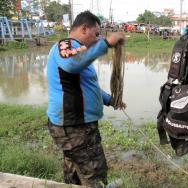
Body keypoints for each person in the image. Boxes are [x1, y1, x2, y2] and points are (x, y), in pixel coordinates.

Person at [46, 11, 125, 188]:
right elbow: (71, 64)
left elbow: (88, 86)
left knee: (75, 167)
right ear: (83, 29)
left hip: (77, 124)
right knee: (93, 170)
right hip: (74, 124)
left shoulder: (80, 51)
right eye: (96, 34)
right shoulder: (66, 45)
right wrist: (106, 43)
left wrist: (111, 100)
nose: (97, 39)